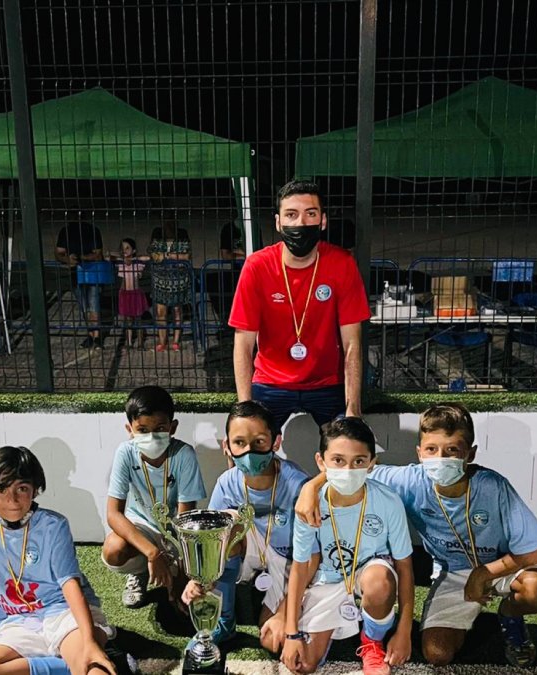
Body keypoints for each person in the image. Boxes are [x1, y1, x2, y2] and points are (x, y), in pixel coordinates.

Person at [295, 403, 537, 667]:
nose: (440, 458)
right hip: (453, 572)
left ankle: (510, 618)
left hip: (500, 567)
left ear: (470, 454)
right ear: (419, 452)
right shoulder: (409, 480)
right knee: (437, 652)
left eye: (452, 450)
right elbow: (354, 467)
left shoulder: (493, 486)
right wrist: (311, 486)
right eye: (432, 449)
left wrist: (484, 573)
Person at [0, 445, 128, 675]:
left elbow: (69, 584)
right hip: (19, 620)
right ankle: (109, 659)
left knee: (93, 670)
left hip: (64, 612)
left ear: (35, 490)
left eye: (22, 489)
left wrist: (88, 641)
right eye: (1, 490)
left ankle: (94, 655)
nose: (12, 500)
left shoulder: (53, 525)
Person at [229, 180, 371, 432]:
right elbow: (243, 343)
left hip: (327, 383)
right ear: (278, 222)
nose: (301, 224)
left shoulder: (342, 264)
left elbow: (352, 344)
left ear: (323, 221)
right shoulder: (257, 267)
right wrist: (244, 409)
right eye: (291, 215)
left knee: (350, 448)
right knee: (244, 445)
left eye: (311, 214)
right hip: (271, 382)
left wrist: (353, 409)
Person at [280, 418, 413, 675]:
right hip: (328, 580)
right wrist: (291, 633)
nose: (348, 470)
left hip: (368, 574)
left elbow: (405, 566)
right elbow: (299, 568)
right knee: (303, 664)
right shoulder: (309, 503)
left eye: (359, 461)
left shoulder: (388, 501)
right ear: (321, 462)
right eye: (338, 460)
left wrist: (404, 630)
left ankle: (372, 642)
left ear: (372, 464)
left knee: (379, 580)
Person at [180, 400, 311, 654]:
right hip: (249, 552)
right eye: (239, 443)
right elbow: (210, 544)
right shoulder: (227, 483)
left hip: (291, 562)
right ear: (226, 446)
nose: (249, 451)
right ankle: (224, 623)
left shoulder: (298, 486)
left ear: (276, 442)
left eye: (259, 442)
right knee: (225, 525)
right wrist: (198, 580)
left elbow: (311, 557)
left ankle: (277, 608)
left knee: (274, 640)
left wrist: (285, 612)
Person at [102, 385, 207, 610]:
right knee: (113, 549)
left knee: (183, 603)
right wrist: (153, 553)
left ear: (173, 427)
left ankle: (173, 569)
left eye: (160, 428)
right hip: (141, 527)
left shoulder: (183, 454)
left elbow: (185, 518)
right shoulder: (125, 452)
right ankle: (139, 573)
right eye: (142, 429)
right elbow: (113, 514)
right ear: (129, 429)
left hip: (175, 529)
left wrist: (179, 568)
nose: (151, 436)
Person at [54, 221, 106, 350]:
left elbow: (98, 254)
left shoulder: (91, 230)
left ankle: (96, 336)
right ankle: (91, 334)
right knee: (84, 306)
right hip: (76, 273)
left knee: (93, 304)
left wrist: (82, 257)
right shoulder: (66, 231)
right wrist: (69, 259)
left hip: (93, 272)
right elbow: (59, 252)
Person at [148, 219, 193, 352]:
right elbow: (153, 254)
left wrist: (166, 255)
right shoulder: (157, 234)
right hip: (160, 280)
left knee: (177, 310)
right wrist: (173, 257)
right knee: (161, 311)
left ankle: (176, 341)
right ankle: (162, 341)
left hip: (178, 280)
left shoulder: (182, 235)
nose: (169, 226)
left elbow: (186, 256)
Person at [109, 238, 150, 350]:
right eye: (123, 248)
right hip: (124, 293)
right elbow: (109, 256)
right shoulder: (120, 263)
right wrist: (121, 256)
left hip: (135, 294)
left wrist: (133, 258)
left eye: (127, 248)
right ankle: (129, 342)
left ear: (133, 250)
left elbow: (147, 257)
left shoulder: (138, 263)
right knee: (127, 319)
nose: (125, 250)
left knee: (138, 319)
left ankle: (141, 342)